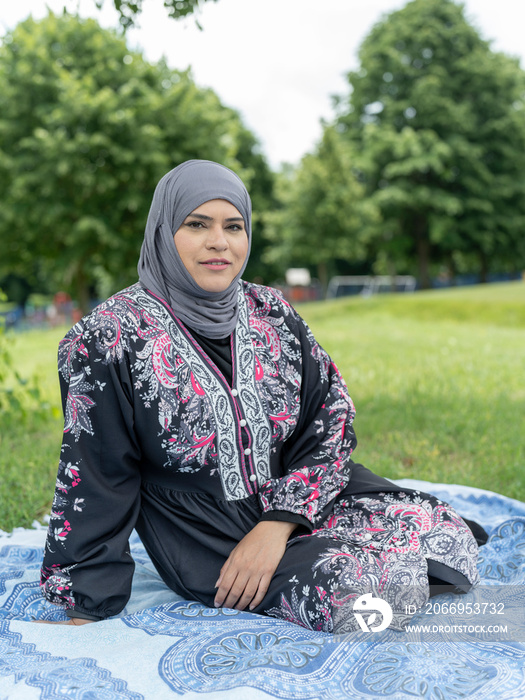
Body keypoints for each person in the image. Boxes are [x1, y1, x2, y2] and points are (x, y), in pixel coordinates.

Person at [40, 160, 483, 633]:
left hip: (301, 502)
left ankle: (344, 552)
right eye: (196, 225)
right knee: (352, 586)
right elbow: (97, 472)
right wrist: (88, 602)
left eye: (234, 226)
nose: (219, 243)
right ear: (163, 231)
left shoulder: (270, 310)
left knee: (446, 532)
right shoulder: (108, 337)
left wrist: (280, 522)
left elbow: (329, 418)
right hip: (208, 538)